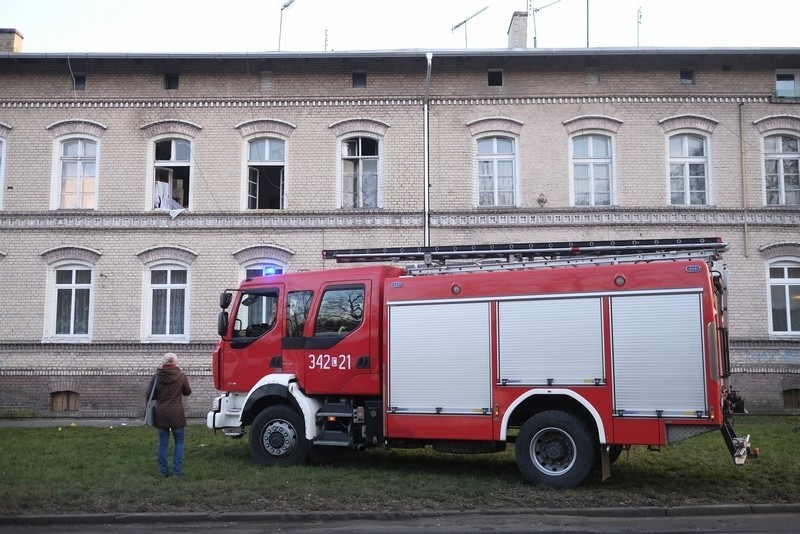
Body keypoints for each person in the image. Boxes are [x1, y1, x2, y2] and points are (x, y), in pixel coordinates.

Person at [147, 352, 192, 478]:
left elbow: (149, 394)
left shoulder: (156, 376)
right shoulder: (181, 376)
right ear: (175, 363)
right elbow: (187, 392)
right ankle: (177, 472)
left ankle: (163, 472)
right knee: (179, 442)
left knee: (163, 443)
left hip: (161, 413)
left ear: (164, 362)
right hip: (176, 413)